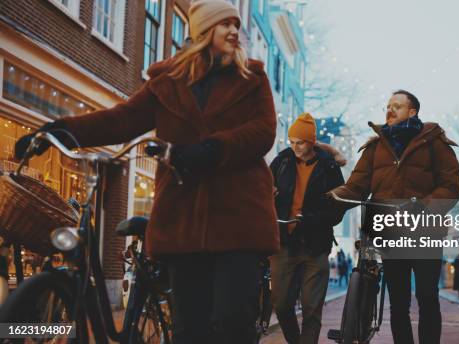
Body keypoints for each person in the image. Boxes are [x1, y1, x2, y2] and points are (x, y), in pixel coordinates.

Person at [14, 1, 278, 342]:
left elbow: (263, 131)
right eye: (224, 24)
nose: (233, 31)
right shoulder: (167, 82)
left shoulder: (251, 78)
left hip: (238, 219)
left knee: (232, 321)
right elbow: (121, 120)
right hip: (183, 219)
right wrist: (55, 131)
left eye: (235, 25)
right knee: (188, 328)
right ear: (201, 31)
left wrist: (210, 150)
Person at [329, 90, 459, 344]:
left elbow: (452, 186)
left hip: (426, 234)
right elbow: (356, 185)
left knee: (427, 297)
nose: (390, 110)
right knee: (398, 302)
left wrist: (423, 206)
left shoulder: (435, 142)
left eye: (397, 106)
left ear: (412, 112)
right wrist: (334, 196)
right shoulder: (375, 147)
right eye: (388, 106)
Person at [269, 112, 345, 344]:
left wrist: (312, 218)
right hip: (284, 243)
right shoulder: (281, 161)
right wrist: (269, 195)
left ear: (311, 141)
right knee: (281, 305)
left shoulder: (329, 167)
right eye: (291, 142)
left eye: (300, 142)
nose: (295, 147)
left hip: (316, 245)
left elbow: (338, 208)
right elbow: (264, 191)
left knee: (312, 310)